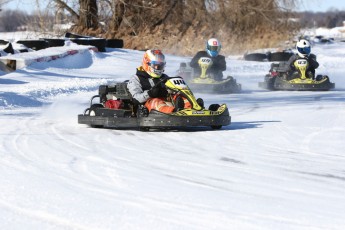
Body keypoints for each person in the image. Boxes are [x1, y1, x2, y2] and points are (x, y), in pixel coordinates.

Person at [127, 49, 191, 114]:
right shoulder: (136, 78)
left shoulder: (164, 77)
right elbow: (136, 99)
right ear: (147, 64)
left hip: (166, 102)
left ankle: (192, 108)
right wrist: (150, 93)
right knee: (156, 101)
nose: (158, 68)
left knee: (179, 97)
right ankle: (174, 112)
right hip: (148, 107)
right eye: (156, 65)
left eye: (160, 66)